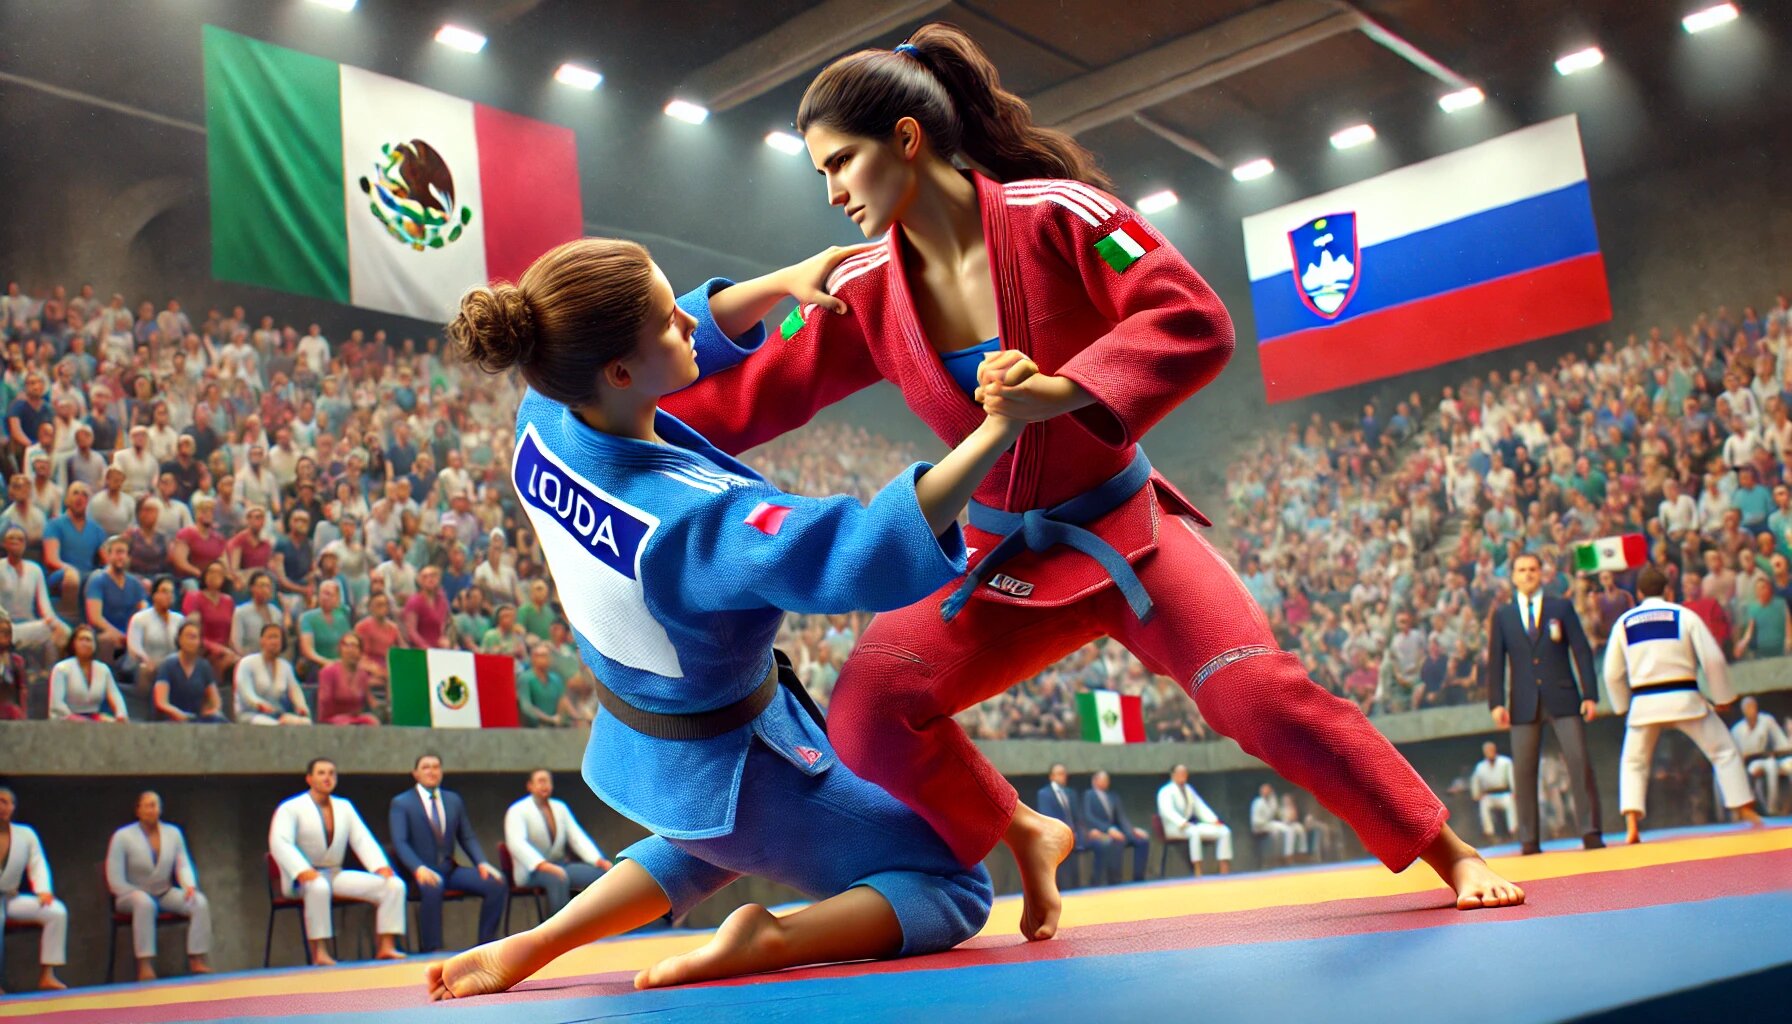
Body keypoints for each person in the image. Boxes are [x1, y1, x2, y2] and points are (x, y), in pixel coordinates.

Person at [662, 25, 1519, 925]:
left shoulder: (1061, 214)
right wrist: (593, 419)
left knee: (1253, 691)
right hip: (995, 563)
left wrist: (1066, 390)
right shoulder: (863, 286)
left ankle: (1446, 850)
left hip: (1129, 537)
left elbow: (1189, 315)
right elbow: (736, 398)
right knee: (872, 708)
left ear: (907, 141)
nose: (832, 193)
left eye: (842, 163)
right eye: (821, 174)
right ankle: (1022, 828)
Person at [427, 236, 1000, 1000]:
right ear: (621, 372)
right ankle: (774, 938)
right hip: (747, 763)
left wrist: (781, 277)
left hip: (657, 738)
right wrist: (1001, 428)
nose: (691, 323)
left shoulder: (543, 417)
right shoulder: (693, 522)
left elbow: (683, 321)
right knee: (956, 884)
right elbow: (858, 552)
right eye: (671, 321)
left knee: (706, 838)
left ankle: (536, 942)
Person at [1604, 566, 1765, 843]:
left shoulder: (1625, 622)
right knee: (1724, 751)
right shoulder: (1684, 615)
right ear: (1668, 590)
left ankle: (1632, 822)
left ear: (1639, 593)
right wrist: (1723, 698)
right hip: (1685, 700)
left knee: (1633, 761)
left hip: (1645, 704)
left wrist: (1621, 706)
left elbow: (1611, 672)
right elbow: (1712, 659)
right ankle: (1744, 809)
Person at [1484, 553, 1605, 853]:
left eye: (1533, 569)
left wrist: (1590, 694)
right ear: (1513, 576)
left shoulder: (1560, 607)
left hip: (1563, 696)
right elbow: (1496, 661)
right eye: (1521, 570)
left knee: (1579, 763)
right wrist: (1496, 702)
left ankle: (1590, 831)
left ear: (1542, 574)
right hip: (1523, 702)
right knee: (1523, 772)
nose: (1527, 575)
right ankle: (1529, 839)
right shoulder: (1504, 615)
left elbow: (1581, 650)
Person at [269, 758, 407, 965]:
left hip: (334, 873)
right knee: (318, 887)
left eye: (331, 773)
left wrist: (379, 866)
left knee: (393, 885)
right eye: (321, 773)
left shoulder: (344, 807)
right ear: (309, 778)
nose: (327, 777)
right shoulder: (291, 808)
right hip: (303, 879)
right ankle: (320, 952)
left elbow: (362, 839)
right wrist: (301, 870)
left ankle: (386, 946)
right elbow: (280, 842)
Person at [389, 753, 507, 954]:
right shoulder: (402, 803)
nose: (432, 771)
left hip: (449, 869)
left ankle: (486, 945)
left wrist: (481, 862)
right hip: (420, 871)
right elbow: (400, 843)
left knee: (496, 882)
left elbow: (466, 836)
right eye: (426, 767)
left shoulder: (453, 800)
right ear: (415, 773)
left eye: (436, 767)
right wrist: (418, 868)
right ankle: (431, 949)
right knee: (433, 886)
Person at [105, 791, 212, 981]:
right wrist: (132, 892)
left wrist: (189, 885)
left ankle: (197, 958)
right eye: (148, 805)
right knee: (144, 903)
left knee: (199, 902)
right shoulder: (122, 836)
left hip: (164, 891)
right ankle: (145, 965)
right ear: (138, 810)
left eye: (155, 805)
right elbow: (114, 877)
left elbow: (183, 863)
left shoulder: (173, 833)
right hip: (130, 895)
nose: (152, 810)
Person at [503, 769, 612, 917]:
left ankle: (599, 923)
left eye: (548, 781)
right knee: (558, 878)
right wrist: (543, 865)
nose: (545, 785)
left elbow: (577, 837)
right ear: (530, 786)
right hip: (532, 871)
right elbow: (517, 844)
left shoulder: (560, 807)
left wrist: (597, 860)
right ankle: (558, 932)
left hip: (560, 865)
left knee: (603, 874)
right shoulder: (517, 810)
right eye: (540, 781)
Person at [0, 787, 69, 991]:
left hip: (11, 898)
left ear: (13, 807)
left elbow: (37, 863)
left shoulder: (26, 834)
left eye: (5, 802)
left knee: (56, 911)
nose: (1, 806)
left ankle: (47, 975)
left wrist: (43, 889)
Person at [1155, 764, 1231, 875]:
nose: (1183, 775)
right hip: (1173, 827)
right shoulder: (1165, 791)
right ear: (1173, 775)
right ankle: (1198, 870)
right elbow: (1166, 811)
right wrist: (1181, 822)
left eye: (1184, 773)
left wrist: (1213, 820)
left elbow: (1200, 807)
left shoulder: (1188, 789)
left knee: (1224, 831)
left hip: (1188, 826)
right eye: (1180, 773)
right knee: (1194, 832)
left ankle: (1224, 869)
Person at [1080, 770, 1148, 885]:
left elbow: (1121, 817)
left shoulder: (1113, 796)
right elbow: (1088, 817)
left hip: (1117, 832)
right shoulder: (1088, 795)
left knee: (1142, 841)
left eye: (1107, 780)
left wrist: (1132, 830)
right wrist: (1108, 829)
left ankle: (1139, 879)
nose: (1106, 782)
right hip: (1099, 834)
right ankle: (1114, 881)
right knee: (1113, 841)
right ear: (1095, 781)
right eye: (1103, 779)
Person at [235, 623, 310, 725]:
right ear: (262, 641)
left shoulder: (285, 666)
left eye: (277, 637)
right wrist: (259, 704)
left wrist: (301, 707)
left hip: (277, 713)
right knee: (272, 725)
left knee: (305, 723)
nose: (274, 641)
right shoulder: (247, 662)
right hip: (250, 714)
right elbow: (246, 691)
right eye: (270, 637)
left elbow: (295, 690)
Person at [49, 623, 128, 720]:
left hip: (93, 718)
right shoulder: (61, 668)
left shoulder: (103, 670)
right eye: (81, 639)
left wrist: (121, 714)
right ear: (74, 643)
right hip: (67, 720)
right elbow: (57, 704)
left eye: (89, 640)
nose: (85, 643)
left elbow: (115, 695)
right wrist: (75, 718)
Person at [154, 620, 228, 723]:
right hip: (171, 719)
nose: (191, 641)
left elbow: (216, 701)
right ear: (179, 639)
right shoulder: (167, 665)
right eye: (188, 637)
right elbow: (161, 702)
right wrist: (178, 714)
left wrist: (213, 711)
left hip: (196, 719)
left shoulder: (204, 667)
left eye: (194, 637)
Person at [1729, 696, 1790, 815]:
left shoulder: (1766, 721)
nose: (1750, 710)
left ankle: (1772, 806)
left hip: (1767, 759)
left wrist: (1778, 751)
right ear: (1743, 711)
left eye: (1752, 707)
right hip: (1749, 763)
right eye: (1747, 708)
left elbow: (1780, 742)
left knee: (1771, 766)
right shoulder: (1737, 730)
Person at [1034, 764, 1083, 890]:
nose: (1063, 776)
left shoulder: (1071, 793)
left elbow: (1076, 816)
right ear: (1052, 776)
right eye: (1060, 773)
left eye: (1064, 773)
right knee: (1063, 878)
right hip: (1057, 839)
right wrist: (1064, 833)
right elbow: (1048, 817)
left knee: (1075, 876)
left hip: (1074, 838)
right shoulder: (1044, 794)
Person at [316, 632, 380, 726]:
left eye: (355, 646)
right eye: (347, 645)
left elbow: (371, 701)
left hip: (354, 719)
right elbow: (325, 704)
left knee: (372, 722)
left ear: (360, 652)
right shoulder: (328, 672)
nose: (351, 650)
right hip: (331, 720)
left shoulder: (362, 674)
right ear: (340, 649)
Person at [1469, 742, 1519, 841]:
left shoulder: (1505, 762)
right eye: (1487, 751)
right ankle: (1489, 833)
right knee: (1484, 805)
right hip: (1489, 795)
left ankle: (1513, 831)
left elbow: (1512, 776)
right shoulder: (1480, 766)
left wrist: (1515, 791)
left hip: (1504, 793)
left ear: (1495, 750)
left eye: (1490, 749)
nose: (1489, 752)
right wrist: (1476, 794)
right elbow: (1475, 781)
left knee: (1511, 804)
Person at [517, 641, 566, 728]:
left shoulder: (556, 679)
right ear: (533, 658)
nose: (547, 659)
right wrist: (549, 719)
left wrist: (559, 718)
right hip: (532, 730)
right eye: (543, 655)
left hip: (554, 729)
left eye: (548, 656)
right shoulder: (525, 678)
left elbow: (562, 701)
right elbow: (526, 707)